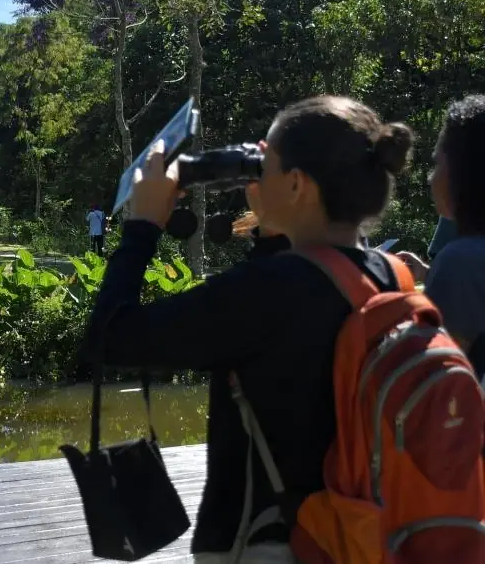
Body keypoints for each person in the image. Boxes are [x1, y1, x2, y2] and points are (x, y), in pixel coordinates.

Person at [88, 96, 419, 563]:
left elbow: (110, 337)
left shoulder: (267, 292)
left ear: (298, 183)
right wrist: (274, 220)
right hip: (360, 533)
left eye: (268, 165)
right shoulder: (390, 277)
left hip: (268, 544)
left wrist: (142, 226)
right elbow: (301, 292)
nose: (257, 176)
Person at [397, 96, 485, 379]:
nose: (430, 178)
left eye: (437, 163)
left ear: (463, 171)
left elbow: (432, 378)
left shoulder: (460, 261)